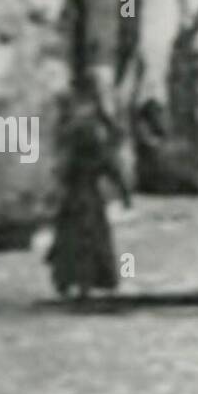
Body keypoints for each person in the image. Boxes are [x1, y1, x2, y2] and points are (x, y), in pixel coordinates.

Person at [46, 89, 132, 299]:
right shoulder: (85, 132)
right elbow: (108, 164)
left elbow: (62, 168)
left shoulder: (70, 132)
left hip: (74, 197)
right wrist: (124, 192)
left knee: (73, 241)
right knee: (87, 240)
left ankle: (68, 282)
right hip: (87, 196)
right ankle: (83, 283)